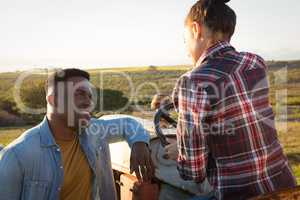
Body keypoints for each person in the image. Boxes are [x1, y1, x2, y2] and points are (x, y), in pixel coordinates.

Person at [163, 0, 297, 199]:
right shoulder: (255, 62)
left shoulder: (192, 82)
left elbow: (193, 172)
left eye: (185, 40)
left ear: (195, 29)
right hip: (285, 187)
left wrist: (179, 152)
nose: (186, 49)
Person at [0, 68, 153, 200]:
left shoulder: (94, 131)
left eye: (90, 96)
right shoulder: (16, 155)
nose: (89, 102)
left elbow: (128, 124)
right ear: (53, 100)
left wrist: (139, 143)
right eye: (79, 94)